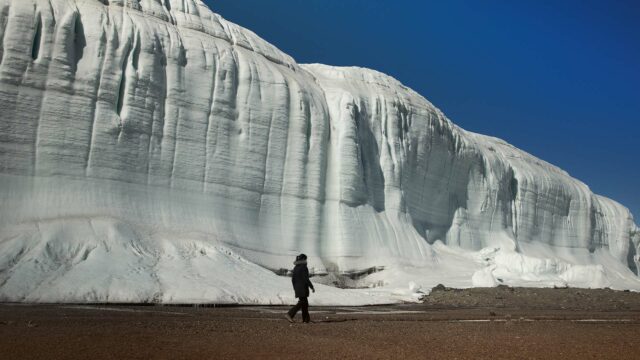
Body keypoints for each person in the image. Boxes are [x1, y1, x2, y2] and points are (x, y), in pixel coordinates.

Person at [285, 254, 315, 323]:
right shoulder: (304, 267)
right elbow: (306, 279)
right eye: (305, 259)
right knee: (302, 302)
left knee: (305, 303)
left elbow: (293, 279)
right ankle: (289, 314)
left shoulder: (295, 268)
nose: (306, 260)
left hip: (298, 288)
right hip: (303, 288)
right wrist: (312, 287)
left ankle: (306, 320)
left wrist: (295, 288)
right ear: (303, 259)